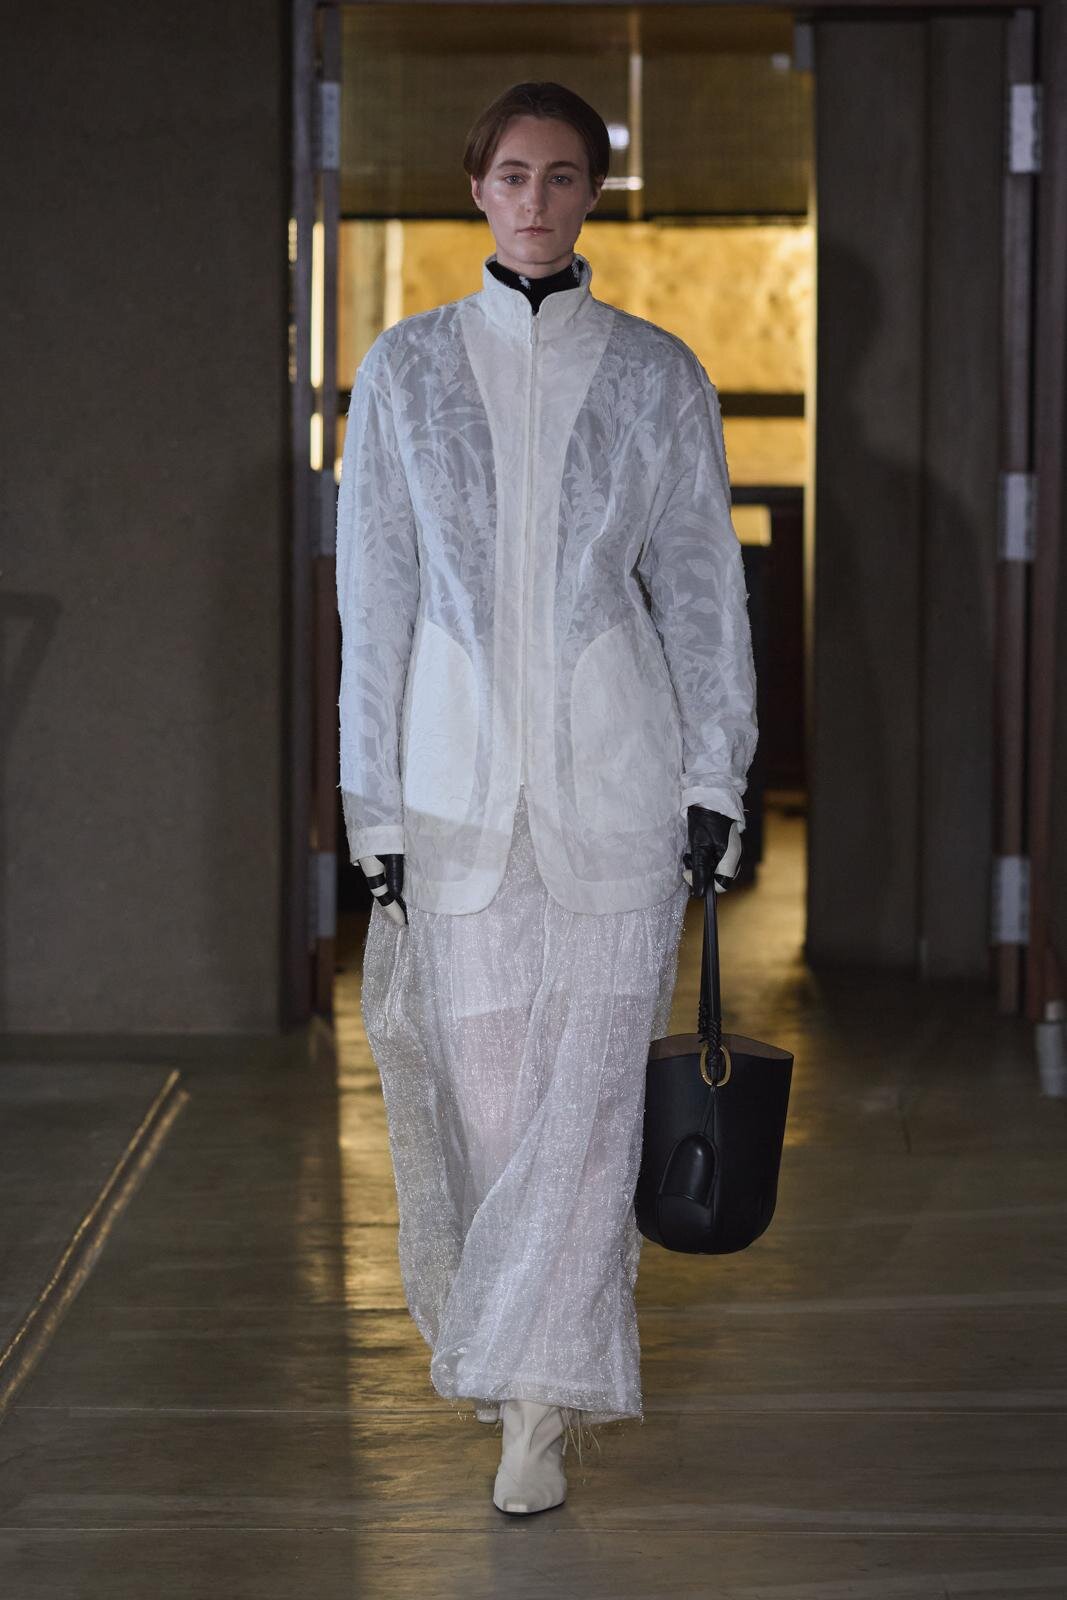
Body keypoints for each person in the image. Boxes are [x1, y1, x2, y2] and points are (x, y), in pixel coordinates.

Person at [336, 81, 757, 1517]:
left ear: (592, 194)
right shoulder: (404, 371)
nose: (535, 199)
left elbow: (701, 584)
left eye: (563, 175)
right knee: (495, 1110)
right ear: (477, 187)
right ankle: (529, 1365)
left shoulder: (655, 373)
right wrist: (373, 807)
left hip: (619, 786)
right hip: (453, 793)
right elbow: (376, 602)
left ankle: (534, 1410)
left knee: (589, 1110)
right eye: (512, 173)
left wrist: (715, 771)